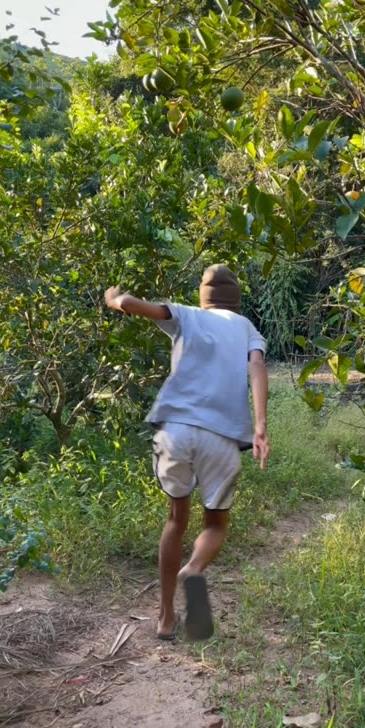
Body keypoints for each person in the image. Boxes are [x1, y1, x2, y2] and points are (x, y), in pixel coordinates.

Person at [104, 264, 270, 642]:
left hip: (175, 431)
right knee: (215, 525)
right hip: (222, 437)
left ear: (204, 296)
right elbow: (257, 366)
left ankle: (166, 618)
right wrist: (260, 425)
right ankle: (193, 569)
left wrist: (115, 299)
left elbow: (132, 304)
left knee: (176, 520)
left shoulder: (186, 314)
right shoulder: (246, 327)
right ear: (236, 299)